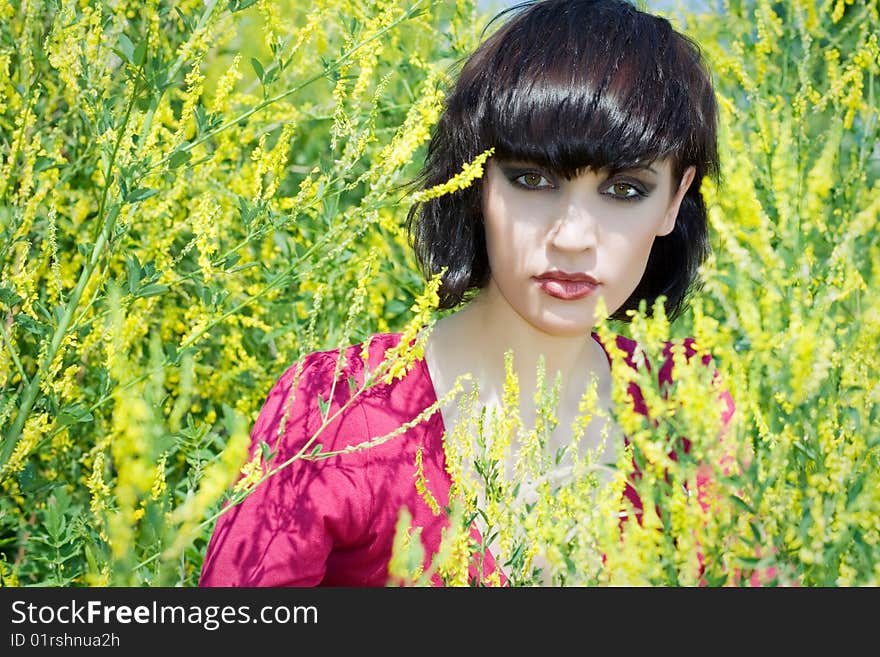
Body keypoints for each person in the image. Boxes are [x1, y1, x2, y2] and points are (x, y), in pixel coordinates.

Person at [198, 0, 735, 587]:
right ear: (474, 182)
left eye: (626, 190)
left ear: (676, 199)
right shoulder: (340, 412)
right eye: (532, 180)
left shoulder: (691, 406)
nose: (574, 238)